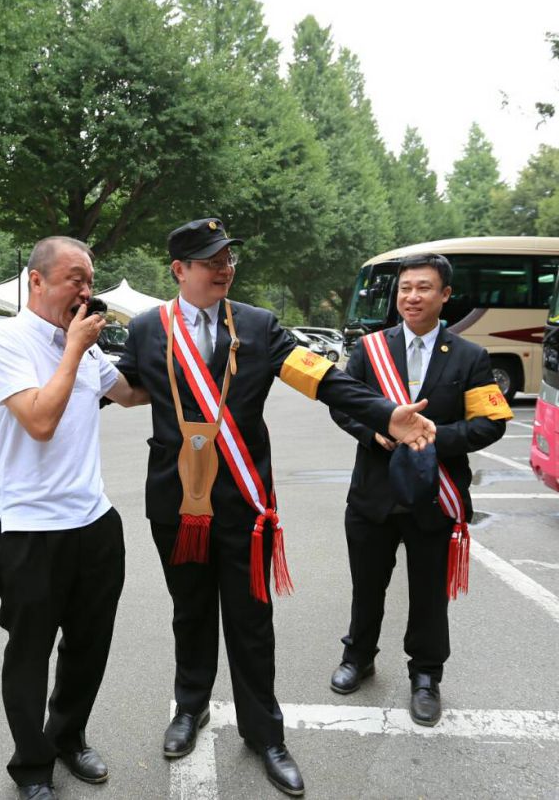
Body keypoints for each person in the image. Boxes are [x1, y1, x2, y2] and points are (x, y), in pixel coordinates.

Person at [112, 218, 435, 797]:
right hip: (178, 502)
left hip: (245, 505)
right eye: (211, 261)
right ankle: (190, 707)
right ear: (179, 270)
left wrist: (387, 414)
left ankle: (265, 734)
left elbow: (323, 379)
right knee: (189, 613)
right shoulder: (145, 328)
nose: (225, 269)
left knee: (251, 622)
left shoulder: (258, 326)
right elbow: (126, 388)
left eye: (228, 259)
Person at [0, 236, 149, 800]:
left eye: (90, 279)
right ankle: (32, 767)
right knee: (29, 654)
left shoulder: (87, 348)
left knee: (88, 645)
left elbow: (129, 394)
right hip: (29, 529)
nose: (85, 289)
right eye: (75, 278)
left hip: (94, 522)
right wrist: (74, 347)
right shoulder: (3, 340)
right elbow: (40, 421)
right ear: (37, 281)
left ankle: (68, 736)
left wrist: (193, 368)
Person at [327, 253, 511, 728]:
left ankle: (426, 676)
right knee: (367, 585)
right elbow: (342, 406)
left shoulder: (470, 357)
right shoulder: (370, 350)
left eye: (424, 287)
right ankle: (358, 657)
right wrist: (376, 432)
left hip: (436, 495)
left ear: (445, 295)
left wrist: (433, 437)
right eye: (405, 287)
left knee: (430, 593)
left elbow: (490, 423)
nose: (412, 296)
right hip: (373, 495)